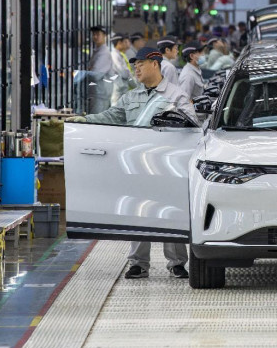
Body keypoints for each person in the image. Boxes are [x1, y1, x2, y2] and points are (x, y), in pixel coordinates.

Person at [66, 47, 198, 280]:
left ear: (155, 64)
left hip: (166, 164)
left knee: (169, 210)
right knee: (139, 210)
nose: (136, 68)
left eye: (140, 64)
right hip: (136, 164)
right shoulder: (130, 97)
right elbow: (109, 117)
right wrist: (84, 121)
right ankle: (138, 264)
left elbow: (192, 123)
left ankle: (177, 263)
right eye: (134, 65)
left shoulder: (175, 95)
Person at [87, 25, 114, 114]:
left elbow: (95, 75)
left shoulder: (104, 53)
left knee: (96, 123)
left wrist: (89, 71)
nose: (95, 36)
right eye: (94, 34)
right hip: (98, 93)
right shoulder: (98, 51)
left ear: (105, 36)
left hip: (100, 95)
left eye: (98, 34)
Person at [110, 34, 134, 105]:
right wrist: (128, 74)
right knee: (115, 110)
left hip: (122, 87)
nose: (125, 44)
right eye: (124, 42)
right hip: (117, 88)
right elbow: (123, 73)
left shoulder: (119, 54)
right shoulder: (114, 55)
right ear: (119, 43)